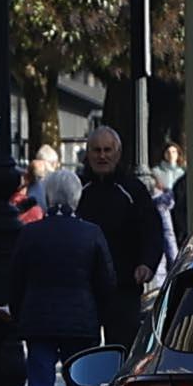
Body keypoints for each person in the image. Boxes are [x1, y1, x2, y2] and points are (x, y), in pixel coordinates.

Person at [0, 165, 126, 386]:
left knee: (40, 381)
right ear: (77, 198)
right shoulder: (91, 233)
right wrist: (101, 314)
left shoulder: (30, 233)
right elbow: (106, 280)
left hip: (39, 319)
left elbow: (16, 279)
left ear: (48, 197)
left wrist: (21, 312)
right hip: (81, 320)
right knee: (80, 384)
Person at [79, 119, 174, 340]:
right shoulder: (79, 188)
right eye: (97, 150)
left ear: (117, 153)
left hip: (123, 285)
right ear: (89, 154)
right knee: (85, 353)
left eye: (107, 150)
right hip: (85, 287)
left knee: (123, 348)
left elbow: (151, 229)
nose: (102, 156)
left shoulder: (133, 189)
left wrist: (147, 264)